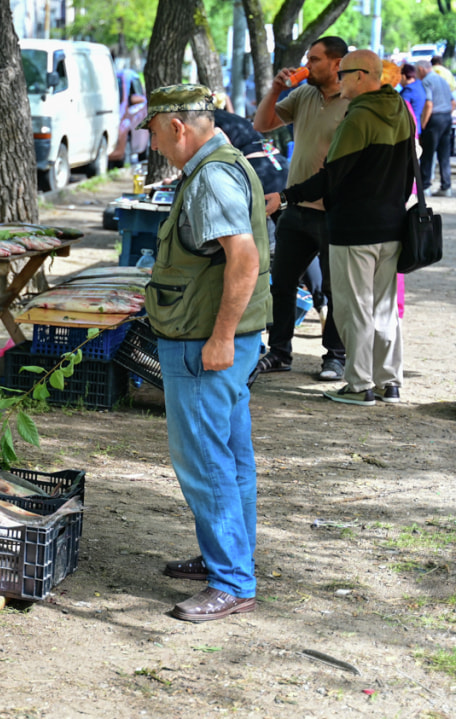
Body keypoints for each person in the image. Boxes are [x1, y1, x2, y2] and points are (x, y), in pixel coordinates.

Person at [140, 85, 270, 622]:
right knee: (231, 455)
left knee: (205, 460)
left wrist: (219, 337)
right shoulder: (222, 162)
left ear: (177, 127)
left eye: (153, 134)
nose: (153, 146)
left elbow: (242, 258)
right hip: (220, 336)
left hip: (205, 341)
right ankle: (229, 557)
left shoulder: (211, 176)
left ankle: (232, 580)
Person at [265, 50, 410, 406]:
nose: (339, 79)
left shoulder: (358, 116)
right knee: (383, 308)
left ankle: (359, 384)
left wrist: (285, 197)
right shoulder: (400, 111)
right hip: (392, 226)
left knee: (353, 307)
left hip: (354, 229)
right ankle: (388, 382)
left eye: (344, 73)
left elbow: (331, 178)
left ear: (362, 77)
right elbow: (409, 173)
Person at [252, 36, 349, 382]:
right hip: (295, 207)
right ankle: (279, 352)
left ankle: (335, 357)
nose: (308, 65)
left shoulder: (352, 100)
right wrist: (276, 88)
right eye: (308, 58)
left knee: (336, 288)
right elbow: (261, 124)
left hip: (333, 212)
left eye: (316, 59)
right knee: (281, 283)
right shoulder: (304, 94)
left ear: (337, 63)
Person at [416, 59, 454, 196]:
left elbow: (429, 103)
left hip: (433, 118)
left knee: (427, 154)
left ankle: (425, 186)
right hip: (446, 117)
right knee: (444, 154)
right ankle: (446, 186)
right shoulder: (442, 80)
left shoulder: (426, 81)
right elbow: (453, 102)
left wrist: (423, 123)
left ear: (421, 70)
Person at [399, 64, 426, 132]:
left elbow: (401, 109)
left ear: (403, 76)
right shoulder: (420, 85)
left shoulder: (408, 91)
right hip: (418, 126)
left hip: (409, 127)